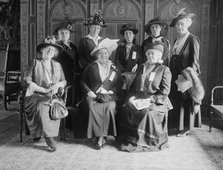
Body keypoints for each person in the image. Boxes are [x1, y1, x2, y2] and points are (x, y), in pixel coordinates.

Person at [117, 43, 172, 152]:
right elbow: (133, 86)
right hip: (139, 98)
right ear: (146, 55)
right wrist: (131, 97)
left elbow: (165, 91)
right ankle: (128, 139)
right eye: (149, 53)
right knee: (125, 108)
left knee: (146, 112)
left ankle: (143, 141)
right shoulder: (142, 67)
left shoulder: (164, 69)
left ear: (159, 56)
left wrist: (151, 99)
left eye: (154, 54)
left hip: (156, 100)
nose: (151, 56)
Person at [23, 36, 66, 151]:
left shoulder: (57, 65)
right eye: (47, 49)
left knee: (53, 104)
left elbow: (64, 81)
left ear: (55, 53)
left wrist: (57, 85)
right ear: (41, 51)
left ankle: (47, 133)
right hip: (35, 94)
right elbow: (27, 80)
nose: (50, 51)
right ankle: (49, 136)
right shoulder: (34, 63)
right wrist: (44, 90)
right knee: (43, 104)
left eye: (52, 50)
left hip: (53, 95)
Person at [80, 38, 123, 149]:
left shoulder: (114, 68)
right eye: (101, 54)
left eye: (105, 53)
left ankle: (103, 136)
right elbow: (83, 81)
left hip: (109, 96)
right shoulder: (91, 66)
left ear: (108, 54)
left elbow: (119, 84)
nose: (103, 55)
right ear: (97, 55)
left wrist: (112, 91)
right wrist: (88, 91)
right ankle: (97, 135)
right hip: (93, 95)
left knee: (109, 108)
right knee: (92, 107)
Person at [169, 11, 201, 137]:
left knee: (186, 100)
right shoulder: (177, 39)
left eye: (182, 24)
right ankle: (177, 125)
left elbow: (195, 61)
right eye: (177, 25)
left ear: (188, 24)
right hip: (174, 73)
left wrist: (188, 77)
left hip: (186, 74)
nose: (179, 27)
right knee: (176, 99)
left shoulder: (193, 40)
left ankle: (187, 127)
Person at [53, 21, 80, 130]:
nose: (64, 35)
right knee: (65, 99)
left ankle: (72, 124)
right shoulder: (56, 47)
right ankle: (63, 124)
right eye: (61, 33)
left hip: (74, 76)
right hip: (63, 77)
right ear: (58, 34)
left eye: (66, 33)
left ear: (69, 34)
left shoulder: (72, 45)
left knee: (75, 99)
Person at [115, 24, 141, 95]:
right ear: (124, 36)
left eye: (130, 33)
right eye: (126, 34)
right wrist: (122, 71)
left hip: (133, 74)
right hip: (122, 73)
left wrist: (137, 65)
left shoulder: (138, 48)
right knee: (122, 91)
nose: (128, 35)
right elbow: (117, 61)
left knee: (132, 91)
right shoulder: (120, 47)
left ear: (133, 35)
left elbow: (140, 61)